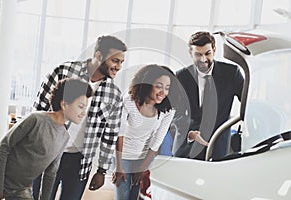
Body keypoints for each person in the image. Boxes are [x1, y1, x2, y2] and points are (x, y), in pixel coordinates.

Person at [32, 35, 127, 200]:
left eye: (121, 62)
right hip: (48, 152)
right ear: (98, 56)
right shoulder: (63, 72)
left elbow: (109, 136)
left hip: (80, 162)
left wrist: (102, 170)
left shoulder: (114, 95)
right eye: (115, 61)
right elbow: (37, 112)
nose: (118, 67)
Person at [0, 78, 92, 200]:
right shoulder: (36, 119)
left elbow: (50, 173)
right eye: (81, 106)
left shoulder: (65, 137)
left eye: (85, 108)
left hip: (19, 190)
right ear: (64, 104)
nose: (83, 113)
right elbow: (2, 148)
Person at [172, 31, 244, 160]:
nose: (203, 59)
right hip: (188, 146)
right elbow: (176, 113)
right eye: (198, 54)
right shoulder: (181, 76)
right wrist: (190, 132)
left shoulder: (232, 73)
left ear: (214, 50)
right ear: (190, 53)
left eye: (207, 53)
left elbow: (248, 103)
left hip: (219, 145)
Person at [112, 64, 176, 200]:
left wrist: (143, 167)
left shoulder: (168, 110)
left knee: (135, 196)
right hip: (123, 156)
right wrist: (118, 166)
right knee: (122, 196)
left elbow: (157, 139)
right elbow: (119, 133)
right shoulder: (129, 100)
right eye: (159, 86)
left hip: (144, 158)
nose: (163, 92)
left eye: (167, 88)